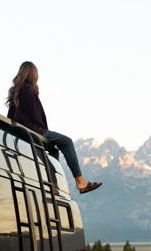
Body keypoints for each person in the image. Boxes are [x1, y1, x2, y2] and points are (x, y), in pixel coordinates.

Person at [6, 61, 102, 194]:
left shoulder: (16, 91)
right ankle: (80, 181)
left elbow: (11, 116)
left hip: (24, 132)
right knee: (66, 142)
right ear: (33, 74)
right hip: (33, 130)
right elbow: (34, 115)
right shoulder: (28, 89)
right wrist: (43, 130)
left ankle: (53, 184)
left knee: (53, 149)